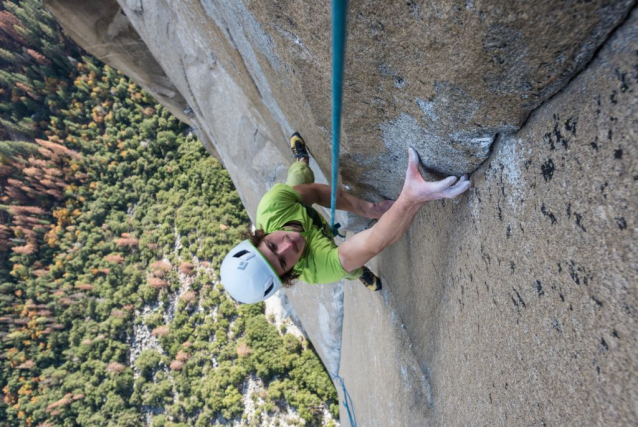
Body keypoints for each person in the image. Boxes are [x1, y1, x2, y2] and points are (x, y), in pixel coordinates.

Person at [220, 133, 470, 304]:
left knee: (299, 175)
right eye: (283, 261)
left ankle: (301, 158)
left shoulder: (272, 208)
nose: (288, 245)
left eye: (272, 246)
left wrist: (371, 209)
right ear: (289, 274)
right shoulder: (316, 269)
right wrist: (411, 198)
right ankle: (360, 274)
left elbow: (318, 193)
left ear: (260, 236)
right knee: (348, 268)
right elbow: (374, 242)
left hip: (296, 208)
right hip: (325, 253)